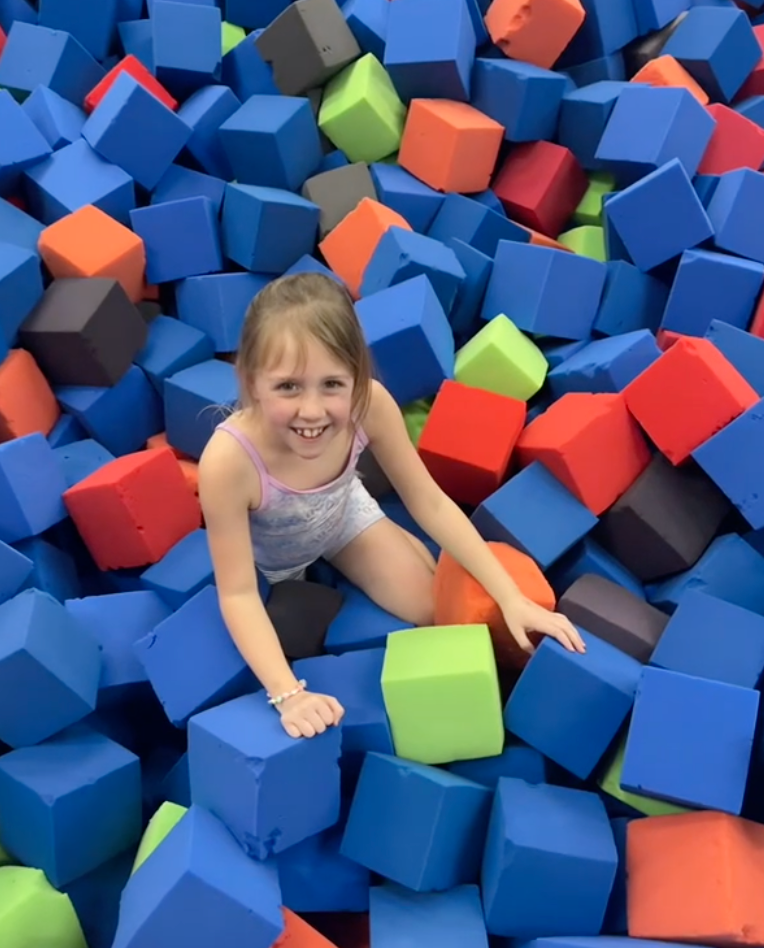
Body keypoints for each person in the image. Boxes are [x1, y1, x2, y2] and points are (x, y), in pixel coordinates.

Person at [198, 272, 585, 740]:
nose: (313, 411)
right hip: (271, 562)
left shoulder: (371, 404)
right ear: (251, 381)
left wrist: (511, 597)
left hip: (342, 516)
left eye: (333, 384)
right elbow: (237, 594)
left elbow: (430, 503)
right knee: (279, 635)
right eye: (288, 387)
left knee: (433, 611)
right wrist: (290, 695)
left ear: (358, 378)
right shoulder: (229, 461)